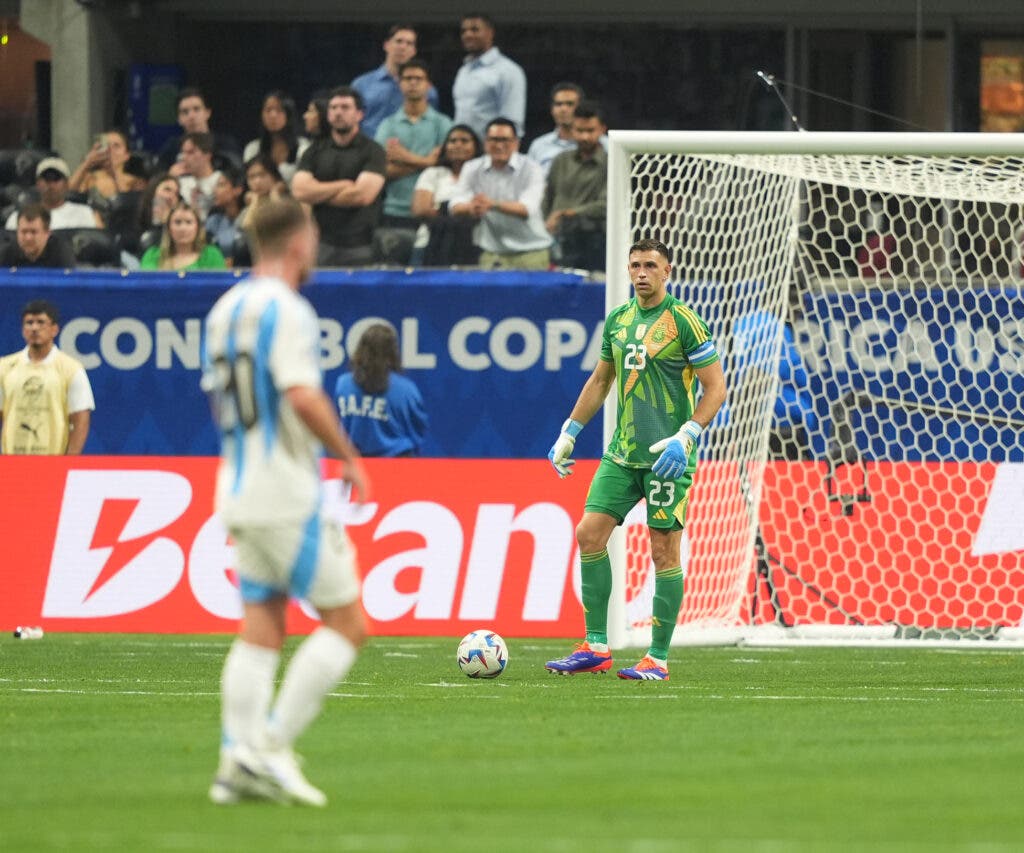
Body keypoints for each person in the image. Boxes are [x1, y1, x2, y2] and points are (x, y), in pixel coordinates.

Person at [202, 197, 370, 807]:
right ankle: (266, 749)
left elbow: (217, 403)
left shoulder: (224, 310)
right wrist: (347, 456)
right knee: (349, 624)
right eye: (316, 235)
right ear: (298, 242)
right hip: (284, 492)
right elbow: (300, 394)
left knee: (263, 624)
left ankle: (233, 765)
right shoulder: (288, 309)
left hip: (238, 485)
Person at [545, 239, 727, 681]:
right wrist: (569, 431)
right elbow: (601, 379)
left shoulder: (685, 322)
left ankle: (658, 659)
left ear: (668, 271)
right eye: (635, 266)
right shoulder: (619, 321)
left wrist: (687, 436)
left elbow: (716, 388)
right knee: (589, 533)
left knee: (663, 550)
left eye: (650, 265)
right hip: (622, 454)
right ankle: (596, 646)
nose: (641, 273)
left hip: (669, 456)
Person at [291, 86, 386, 266]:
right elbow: (299, 191)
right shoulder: (314, 151)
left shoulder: (373, 151)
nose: (338, 113)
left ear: (359, 114)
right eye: (333, 108)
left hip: (360, 244)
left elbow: (362, 196)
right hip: (321, 243)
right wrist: (343, 185)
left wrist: (317, 194)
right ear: (327, 115)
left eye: (345, 107)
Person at [374, 59, 453, 261]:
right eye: (408, 78)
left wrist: (405, 157)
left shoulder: (443, 124)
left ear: (429, 85)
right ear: (400, 84)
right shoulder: (388, 125)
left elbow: (448, 168)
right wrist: (427, 162)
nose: (413, 83)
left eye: (419, 79)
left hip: (433, 213)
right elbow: (379, 170)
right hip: (394, 211)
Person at [449, 117, 551, 269]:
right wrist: (472, 208)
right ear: (485, 143)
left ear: (516, 143)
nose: (499, 145)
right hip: (492, 253)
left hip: (531, 252)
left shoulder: (532, 168)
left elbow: (527, 209)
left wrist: (491, 204)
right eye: (493, 140)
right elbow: (454, 206)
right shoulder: (472, 168)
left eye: (505, 140)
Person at [0, 299, 95, 455]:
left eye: (41, 322)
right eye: (29, 323)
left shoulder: (71, 368)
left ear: (54, 329)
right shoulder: (5, 367)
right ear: (23, 330)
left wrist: (69, 461)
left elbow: (81, 419)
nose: (35, 328)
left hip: (52, 461)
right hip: (11, 461)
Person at [334, 323, 428, 457]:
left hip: (356, 466)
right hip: (397, 466)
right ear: (393, 352)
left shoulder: (342, 384)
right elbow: (418, 431)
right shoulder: (407, 390)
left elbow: (338, 424)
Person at [542, 100, 608, 271]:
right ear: (572, 130)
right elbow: (548, 197)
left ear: (602, 129)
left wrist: (568, 213)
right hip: (560, 241)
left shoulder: (612, 162)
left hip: (597, 242)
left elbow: (607, 205)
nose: (585, 136)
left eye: (590, 130)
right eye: (580, 130)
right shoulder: (560, 160)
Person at [351, 23, 440, 140]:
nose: (403, 47)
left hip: (412, 153)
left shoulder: (428, 90)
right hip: (370, 151)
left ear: (414, 51)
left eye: (409, 43)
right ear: (386, 45)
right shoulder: (361, 85)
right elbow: (351, 123)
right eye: (398, 41)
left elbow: (433, 126)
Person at [410, 123, 481, 265]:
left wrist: (440, 209)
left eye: (464, 141)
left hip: (473, 244)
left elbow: (483, 210)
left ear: (475, 147)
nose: (457, 145)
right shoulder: (432, 174)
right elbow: (420, 210)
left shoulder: (483, 176)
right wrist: (462, 212)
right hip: (429, 242)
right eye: (452, 141)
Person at [453, 14, 527, 139]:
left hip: (493, 151)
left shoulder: (508, 71)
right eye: (464, 31)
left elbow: (514, 122)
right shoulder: (463, 71)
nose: (468, 35)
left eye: (475, 30)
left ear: (490, 33)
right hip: (463, 150)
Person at [157, 87, 241, 173]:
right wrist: (169, 176)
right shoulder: (171, 148)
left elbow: (237, 172)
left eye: (196, 109)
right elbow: (156, 177)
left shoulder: (225, 143)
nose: (191, 116)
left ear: (207, 113)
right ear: (179, 119)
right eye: (185, 112)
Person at [5, 158, 99, 231]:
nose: (51, 185)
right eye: (46, 179)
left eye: (56, 178)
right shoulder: (18, 217)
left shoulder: (84, 214)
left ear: (66, 184)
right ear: (37, 184)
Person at [242, 91, 310, 186]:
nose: (273, 115)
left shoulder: (303, 147)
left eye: (279, 110)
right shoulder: (253, 149)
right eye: (268, 110)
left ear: (288, 114)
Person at [139, 202, 227, 271]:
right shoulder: (152, 256)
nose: (183, 228)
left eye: (189, 222)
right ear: (169, 228)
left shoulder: (212, 255)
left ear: (197, 228)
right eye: (177, 222)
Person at [67, 129, 146, 204]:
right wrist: (87, 163)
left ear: (127, 155)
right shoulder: (89, 178)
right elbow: (67, 195)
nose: (110, 150)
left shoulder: (135, 182)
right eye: (106, 145)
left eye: (116, 146)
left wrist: (114, 175)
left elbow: (134, 207)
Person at [527, 83, 583, 174]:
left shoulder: (601, 144)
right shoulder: (538, 146)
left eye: (570, 104)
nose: (563, 109)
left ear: (581, 108)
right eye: (558, 104)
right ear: (552, 110)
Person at [0, 204, 76, 268]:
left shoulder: (62, 253)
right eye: (24, 232)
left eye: (34, 232)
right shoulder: (6, 254)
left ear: (47, 233)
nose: (28, 238)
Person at [176, 132, 222, 220]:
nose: (184, 157)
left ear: (207, 155)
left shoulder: (221, 180)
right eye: (183, 152)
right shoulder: (179, 183)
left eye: (190, 152)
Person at [204, 166, 246, 261]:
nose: (215, 191)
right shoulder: (213, 221)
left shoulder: (250, 217)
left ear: (237, 190)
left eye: (221, 185)